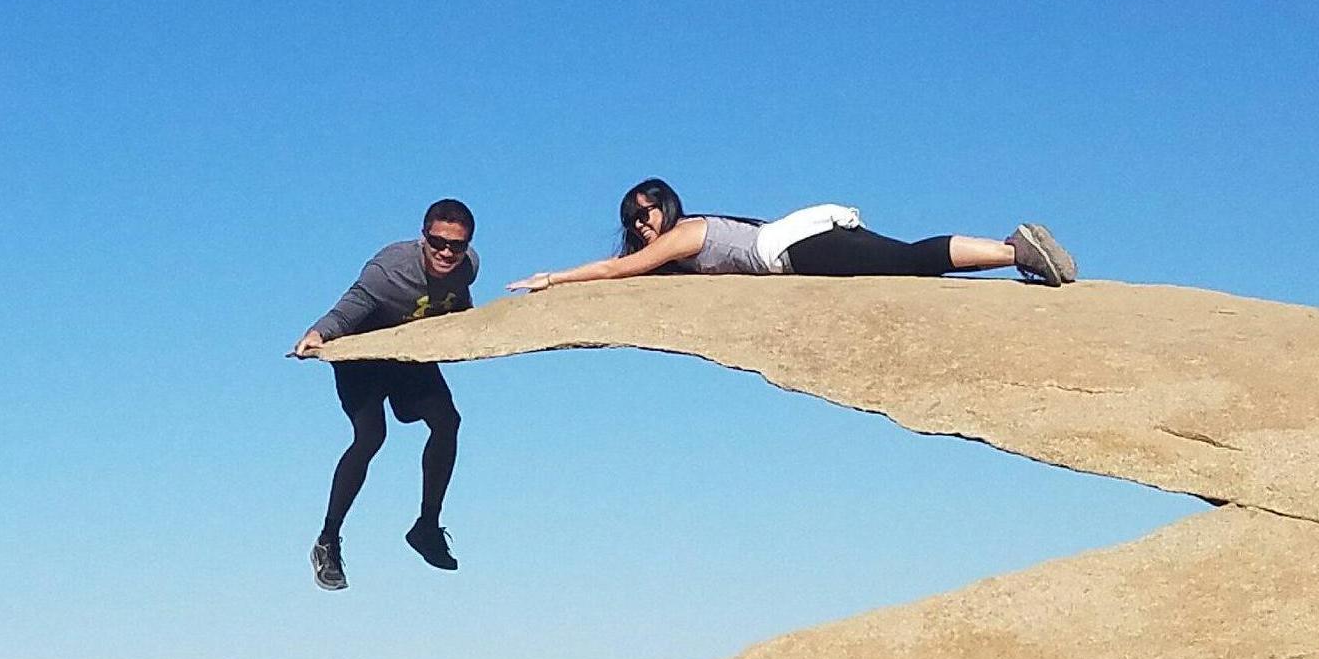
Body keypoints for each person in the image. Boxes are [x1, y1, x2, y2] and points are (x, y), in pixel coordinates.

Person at [292, 199, 479, 590]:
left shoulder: (468, 268)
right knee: (371, 436)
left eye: (456, 246)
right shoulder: (388, 270)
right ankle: (328, 539)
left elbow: (459, 309)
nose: (446, 252)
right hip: (363, 356)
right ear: (424, 237)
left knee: (448, 421)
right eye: (438, 242)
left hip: (408, 354)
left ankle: (427, 527)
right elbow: (347, 310)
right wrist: (317, 334)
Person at [508, 178, 1076, 292]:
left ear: (668, 207)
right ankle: (1012, 249)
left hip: (793, 246)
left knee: (906, 262)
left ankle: (1013, 248)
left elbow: (614, 270)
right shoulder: (678, 242)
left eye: (649, 210)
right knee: (902, 261)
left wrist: (554, 277)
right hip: (801, 237)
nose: (642, 223)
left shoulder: (682, 235)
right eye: (633, 218)